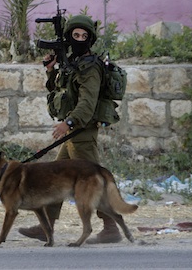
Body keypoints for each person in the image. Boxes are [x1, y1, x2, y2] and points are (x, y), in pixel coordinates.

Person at [18, 14, 122, 244]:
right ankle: (47, 226)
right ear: (68, 37)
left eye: (84, 36)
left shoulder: (91, 67)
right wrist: (51, 70)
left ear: (90, 39)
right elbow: (62, 91)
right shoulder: (75, 64)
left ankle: (111, 227)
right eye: (75, 35)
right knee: (56, 179)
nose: (79, 39)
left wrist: (69, 123)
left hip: (81, 132)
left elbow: (87, 103)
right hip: (73, 134)